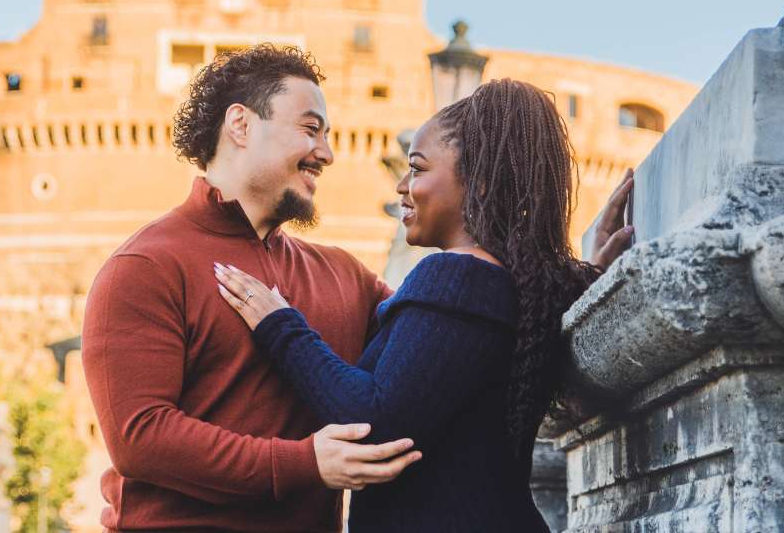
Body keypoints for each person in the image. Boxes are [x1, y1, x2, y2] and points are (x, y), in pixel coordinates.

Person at [215, 78, 633, 532]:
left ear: (479, 183)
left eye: (417, 168)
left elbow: (373, 424)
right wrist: (586, 275)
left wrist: (281, 326)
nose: (401, 185)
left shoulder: (456, 277)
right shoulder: (517, 286)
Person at [82, 45, 422, 533]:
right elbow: (141, 437)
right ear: (240, 125)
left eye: (327, 136)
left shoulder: (346, 277)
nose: (326, 154)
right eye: (310, 130)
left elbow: (431, 342)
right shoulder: (144, 266)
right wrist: (306, 463)